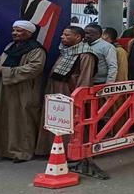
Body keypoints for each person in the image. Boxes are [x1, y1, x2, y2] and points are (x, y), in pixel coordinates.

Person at [0, 21, 46, 162]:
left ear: (29, 33)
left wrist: (5, 71)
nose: (15, 33)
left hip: (22, 90)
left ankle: (21, 152)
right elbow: (0, 60)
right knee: (3, 119)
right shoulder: (11, 46)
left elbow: (34, 68)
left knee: (21, 121)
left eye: (19, 31)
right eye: (14, 30)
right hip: (3, 89)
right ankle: (2, 149)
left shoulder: (36, 50)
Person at [35, 26, 97, 156]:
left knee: (69, 121)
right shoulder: (66, 51)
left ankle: (69, 152)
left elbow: (85, 78)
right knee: (53, 119)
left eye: (67, 35)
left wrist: (79, 97)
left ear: (78, 37)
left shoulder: (86, 54)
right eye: (63, 34)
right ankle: (51, 149)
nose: (62, 37)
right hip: (54, 90)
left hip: (69, 92)